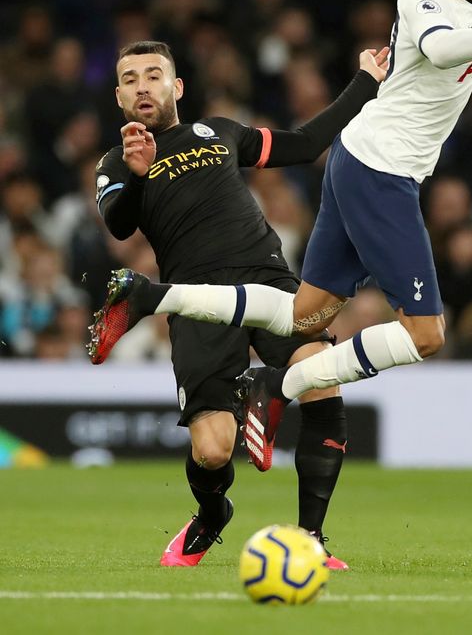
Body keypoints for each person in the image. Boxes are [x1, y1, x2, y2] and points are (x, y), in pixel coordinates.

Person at [90, 0, 472, 470]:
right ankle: (274, 388)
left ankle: (152, 298)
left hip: (359, 159)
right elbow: (440, 47)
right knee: (426, 336)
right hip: (381, 170)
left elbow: (437, 17)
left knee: (305, 317)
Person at [88, 39, 388, 569]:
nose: (142, 87)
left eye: (153, 75)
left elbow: (303, 143)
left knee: (320, 378)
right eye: (130, 79)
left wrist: (365, 82)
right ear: (118, 97)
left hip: (266, 279)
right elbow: (119, 225)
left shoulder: (219, 132)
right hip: (198, 300)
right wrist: (137, 175)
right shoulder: (116, 161)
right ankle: (210, 515)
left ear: (176, 87)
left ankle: (312, 539)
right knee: (213, 450)